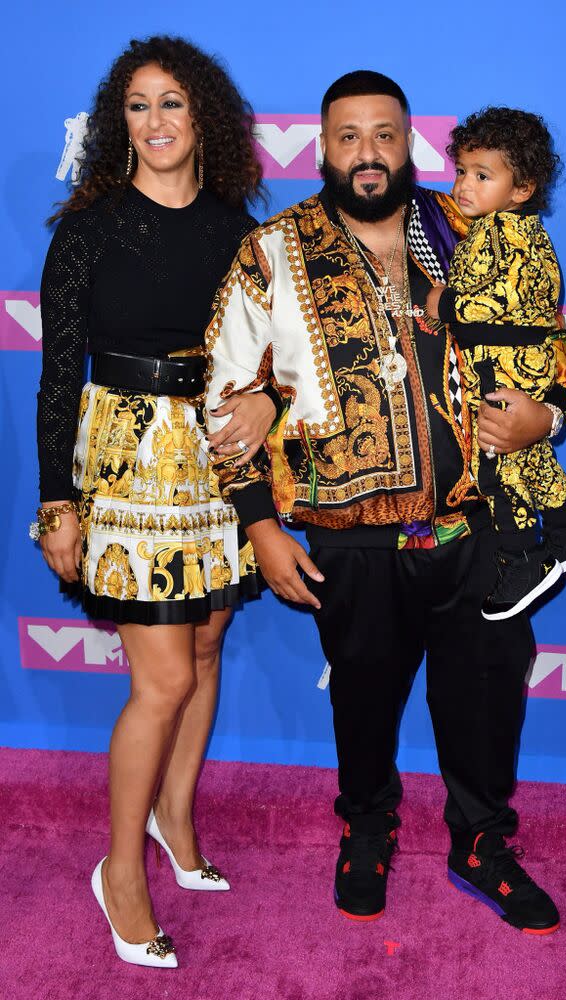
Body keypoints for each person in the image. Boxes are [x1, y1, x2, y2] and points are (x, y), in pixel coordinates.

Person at [206, 71, 566, 935]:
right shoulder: (272, 251)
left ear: (408, 141)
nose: (367, 153)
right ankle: (368, 829)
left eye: (385, 135)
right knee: (365, 698)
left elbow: (552, 346)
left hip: (481, 523)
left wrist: (548, 413)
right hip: (353, 536)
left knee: (488, 699)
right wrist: (261, 526)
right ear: (322, 145)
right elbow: (223, 401)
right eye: (348, 136)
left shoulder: (469, 232)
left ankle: (482, 844)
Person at [34, 36, 276, 968]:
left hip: (216, 450)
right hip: (127, 457)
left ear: (202, 116)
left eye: (172, 102)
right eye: (137, 105)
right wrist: (59, 501)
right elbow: (58, 378)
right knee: (164, 677)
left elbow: (274, 355)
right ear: (116, 124)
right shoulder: (87, 229)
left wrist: (267, 399)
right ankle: (120, 871)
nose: (156, 122)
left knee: (209, 641)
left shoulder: (237, 232)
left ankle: (176, 817)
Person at [426, 107, 566, 621]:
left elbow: (503, 297)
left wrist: (447, 306)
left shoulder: (511, 233)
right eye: (461, 171)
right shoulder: (494, 228)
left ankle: (525, 557)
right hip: (504, 361)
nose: (464, 186)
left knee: (501, 467)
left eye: (482, 176)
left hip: (509, 365)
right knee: (529, 460)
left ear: (521, 188)